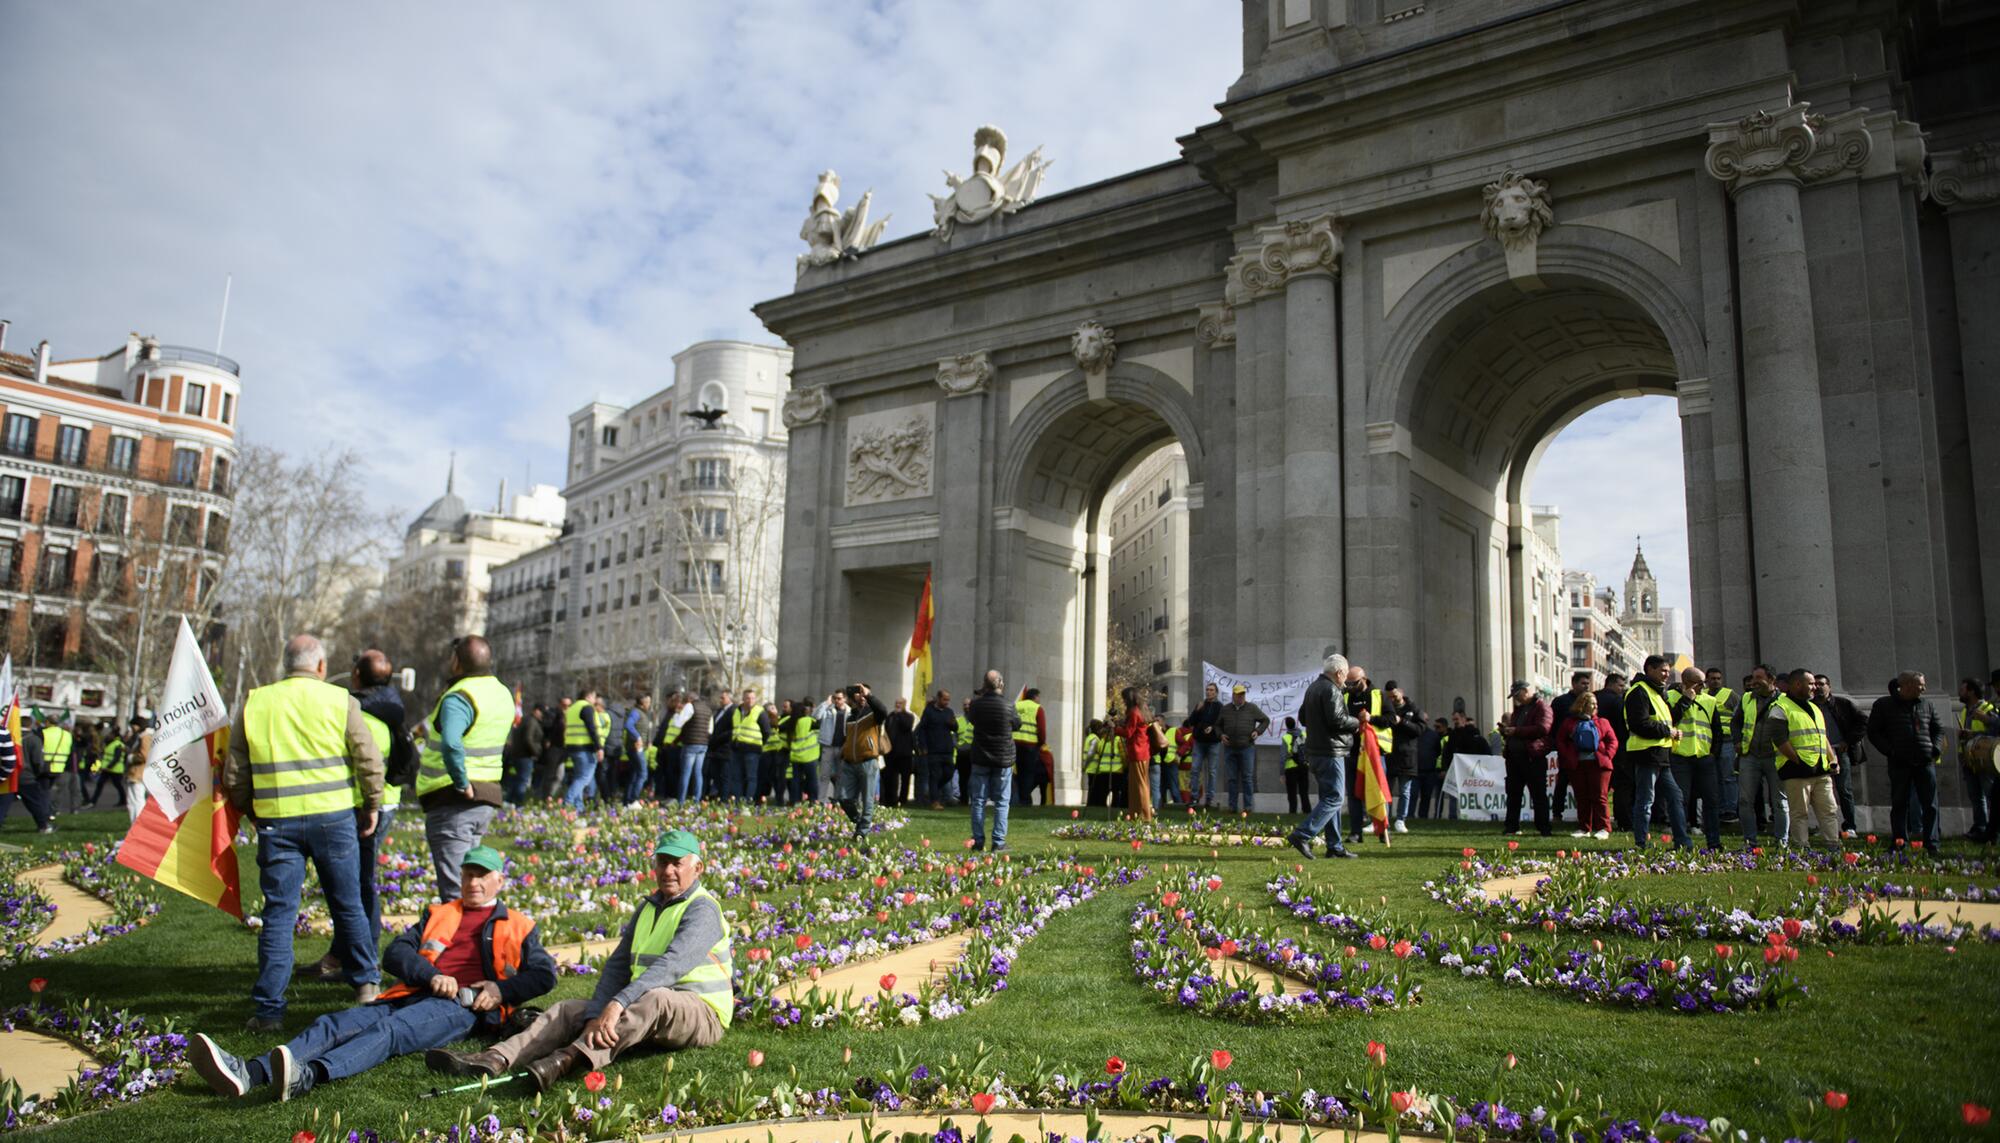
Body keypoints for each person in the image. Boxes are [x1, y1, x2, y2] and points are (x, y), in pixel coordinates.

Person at [190, 846, 557, 1101]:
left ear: (499, 881)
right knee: (330, 1024)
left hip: (461, 1007)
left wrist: (500, 989)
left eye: (482, 875)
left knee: (389, 1032)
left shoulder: (520, 926)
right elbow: (395, 953)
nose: (473, 882)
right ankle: (247, 1073)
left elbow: (545, 975)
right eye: (467, 874)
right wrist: (430, 975)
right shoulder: (440, 912)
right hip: (414, 990)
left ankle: (311, 1075)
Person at [428, 830, 729, 1092]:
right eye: (662, 862)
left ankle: (565, 1060)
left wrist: (618, 1003)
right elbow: (618, 965)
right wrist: (597, 1011)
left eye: (677, 863)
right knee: (567, 1009)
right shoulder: (649, 906)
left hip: (701, 1012)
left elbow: (672, 965)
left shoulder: (703, 909)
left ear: (697, 867)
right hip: (645, 1006)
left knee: (657, 998)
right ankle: (495, 1058)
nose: (668, 870)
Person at [226, 634, 384, 1030]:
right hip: (334, 819)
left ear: (285, 664)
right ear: (321, 666)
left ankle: (268, 1011)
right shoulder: (339, 699)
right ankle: (366, 984)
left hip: (277, 821)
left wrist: (250, 809)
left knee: (279, 915)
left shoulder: (256, 702)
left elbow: (235, 772)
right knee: (347, 903)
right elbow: (367, 756)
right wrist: (373, 804)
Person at [309, 649, 407, 983]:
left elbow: (368, 767)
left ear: (355, 677)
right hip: (382, 803)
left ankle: (360, 962)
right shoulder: (389, 705)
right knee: (356, 884)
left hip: (366, 807)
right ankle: (346, 955)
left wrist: (370, 808)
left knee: (359, 886)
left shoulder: (362, 713)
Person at [416, 636, 509, 902]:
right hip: (485, 797)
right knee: (473, 887)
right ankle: (477, 941)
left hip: (453, 799)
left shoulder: (460, 696)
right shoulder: (501, 692)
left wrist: (460, 781)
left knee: (456, 891)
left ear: (457, 662)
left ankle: (462, 942)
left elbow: (451, 742)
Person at [1288, 652, 1361, 860]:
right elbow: (1337, 720)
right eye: (1345, 675)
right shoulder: (1332, 689)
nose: (1346, 680)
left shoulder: (1313, 688)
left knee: (1329, 798)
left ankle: (1334, 845)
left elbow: (1303, 717)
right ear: (1339, 673)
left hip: (1316, 751)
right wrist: (1355, 722)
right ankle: (1302, 834)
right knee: (1335, 797)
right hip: (1331, 751)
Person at [1867, 670, 1946, 850]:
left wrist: (1935, 749)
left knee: (1930, 804)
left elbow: (1938, 729)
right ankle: (1900, 841)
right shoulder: (1884, 705)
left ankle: (1932, 843)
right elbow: (1874, 732)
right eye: (1921, 685)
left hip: (1925, 762)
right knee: (1900, 802)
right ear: (1908, 685)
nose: (1924, 688)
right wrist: (1890, 751)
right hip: (1899, 762)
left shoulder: (1926, 705)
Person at [1767, 668, 1842, 850]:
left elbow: (1822, 737)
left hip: (1820, 770)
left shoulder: (1815, 707)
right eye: (1810, 683)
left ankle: (1833, 846)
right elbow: (1779, 739)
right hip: (1796, 771)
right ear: (1797, 684)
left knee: (1829, 811)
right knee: (1799, 813)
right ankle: (1802, 848)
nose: (1814, 687)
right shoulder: (1780, 708)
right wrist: (1798, 761)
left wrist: (1833, 759)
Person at [1624, 654, 1691, 849]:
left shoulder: (1657, 692)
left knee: (1674, 797)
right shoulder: (1639, 692)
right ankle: (1641, 843)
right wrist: (1668, 731)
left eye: (1668, 672)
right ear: (1650, 669)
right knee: (1646, 800)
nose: (1666, 675)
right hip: (1646, 753)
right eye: (1663, 671)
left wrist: (1685, 702)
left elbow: (1668, 718)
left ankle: (1682, 842)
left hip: (1660, 754)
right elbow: (1639, 724)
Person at [1665, 668, 1722, 849]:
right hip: (1680, 757)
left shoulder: (1710, 701)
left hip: (1705, 758)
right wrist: (1686, 700)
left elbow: (1717, 730)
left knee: (1711, 801)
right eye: (1699, 683)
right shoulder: (1671, 697)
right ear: (1686, 682)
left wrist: (1714, 753)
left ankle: (1714, 842)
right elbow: (1671, 721)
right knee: (1680, 801)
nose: (1703, 687)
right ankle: (1681, 842)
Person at [966, 671, 1019, 849]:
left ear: (985, 685)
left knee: (978, 801)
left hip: (981, 757)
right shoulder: (1009, 705)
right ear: (1001, 684)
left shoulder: (976, 705)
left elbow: (971, 719)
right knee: (1002, 802)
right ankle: (998, 842)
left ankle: (978, 841)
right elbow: (1017, 724)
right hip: (1003, 758)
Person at [1555, 689, 1616, 839]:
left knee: (1600, 796)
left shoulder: (1603, 722)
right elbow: (1560, 740)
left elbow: (1612, 741)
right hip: (1577, 765)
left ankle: (1603, 828)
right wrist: (1568, 756)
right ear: (1582, 704)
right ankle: (1584, 827)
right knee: (1581, 796)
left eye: (1596, 704)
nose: (1595, 707)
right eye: (1591, 704)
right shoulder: (1569, 723)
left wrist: (1607, 755)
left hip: (1599, 765)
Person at [1739, 665, 1789, 846]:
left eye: (1758, 678)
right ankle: (1749, 841)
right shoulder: (1746, 698)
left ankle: (1781, 841)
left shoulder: (1785, 701)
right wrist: (1738, 741)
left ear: (1771, 680)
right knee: (1745, 801)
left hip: (1775, 757)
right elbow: (1736, 722)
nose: (1753, 682)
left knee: (1780, 802)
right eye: (1753, 678)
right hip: (1750, 756)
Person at [1811, 674, 1866, 838]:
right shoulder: (1810, 706)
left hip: (1840, 753)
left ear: (1829, 686)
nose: (1818, 687)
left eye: (1822, 684)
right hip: (1819, 753)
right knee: (1822, 792)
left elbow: (1863, 721)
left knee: (1844, 789)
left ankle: (1850, 826)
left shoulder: (1843, 704)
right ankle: (1826, 826)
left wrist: (1848, 741)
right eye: (1815, 684)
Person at [834, 683, 889, 842]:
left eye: (863, 694)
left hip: (868, 762)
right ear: (852, 699)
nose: (861, 697)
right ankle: (859, 822)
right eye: (858, 695)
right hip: (849, 763)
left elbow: (883, 711)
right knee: (843, 798)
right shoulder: (850, 717)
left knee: (867, 800)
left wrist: (869, 695)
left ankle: (862, 832)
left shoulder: (873, 714)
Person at [1499, 681, 1553, 837]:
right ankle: (1511, 826)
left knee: (1538, 795)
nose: (1516, 699)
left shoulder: (1542, 707)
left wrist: (1516, 731)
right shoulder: (1519, 710)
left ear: (1525, 691)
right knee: (1513, 794)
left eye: (1517, 695)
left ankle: (1543, 827)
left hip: (1532, 758)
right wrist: (1508, 731)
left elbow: (1543, 728)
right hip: (1515, 758)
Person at [1215, 684, 1269, 812]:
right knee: (1232, 779)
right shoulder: (1225, 709)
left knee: (1247, 778)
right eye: (1238, 694)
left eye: (1243, 694)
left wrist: (1257, 731)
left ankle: (1248, 807)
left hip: (1247, 747)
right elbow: (1217, 726)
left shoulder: (1252, 708)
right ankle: (1232, 806)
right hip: (1230, 748)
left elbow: (1265, 720)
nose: (1241, 697)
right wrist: (1221, 735)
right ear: (1233, 695)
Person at [1549, 671, 1595, 821]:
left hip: (1586, 748)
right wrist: (1557, 744)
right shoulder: (1561, 702)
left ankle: (1587, 815)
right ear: (1574, 684)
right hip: (1567, 748)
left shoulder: (1591, 700)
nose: (1586, 687)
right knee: (1563, 780)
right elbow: (1553, 725)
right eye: (1583, 683)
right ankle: (1557, 813)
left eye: (1588, 684)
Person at [1382, 684, 1425, 833]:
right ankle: (1384, 819)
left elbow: (1419, 730)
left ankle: (1401, 819)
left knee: (1404, 791)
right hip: (1389, 755)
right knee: (1385, 790)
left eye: (1395, 696)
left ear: (1401, 692)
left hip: (1407, 756)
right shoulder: (1387, 708)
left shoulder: (1414, 709)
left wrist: (1402, 722)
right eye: (1390, 697)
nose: (1392, 699)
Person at [1959, 678, 1996, 842]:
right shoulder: (1966, 710)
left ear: (1971, 691)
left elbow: (1996, 734)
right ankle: (1980, 827)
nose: (1960, 692)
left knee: (1991, 794)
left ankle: (1993, 830)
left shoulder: (1987, 708)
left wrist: (1972, 734)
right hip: (1969, 758)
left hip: (1985, 758)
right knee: (1975, 796)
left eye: (1963, 689)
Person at [717, 688, 768, 802]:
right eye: (748, 698)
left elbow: (766, 731)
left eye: (753, 698)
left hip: (752, 749)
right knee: (736, 777)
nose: (750, 701)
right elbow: (734, 728)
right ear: (743, 699)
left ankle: (748, 801)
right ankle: (737, 801)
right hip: (737, 748)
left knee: (751, 777)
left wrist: (759, 744)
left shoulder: (760, 712)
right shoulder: (737, 711)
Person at [1595, 672, 1632, 829]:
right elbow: (1623, 727)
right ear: (1611, 684)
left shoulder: (1593, 697)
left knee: (1597, 788)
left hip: (1594, 749)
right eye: (1620, 686)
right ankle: (1622, 820)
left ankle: (1594, 821)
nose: (1622, 689)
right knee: (1622, 786)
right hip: (1616, 748)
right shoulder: (1617, 701)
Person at [1706, 668, 1742, 825]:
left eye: (1718, 678)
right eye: (1713, 678)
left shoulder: (1730, 694)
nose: (1716, 681)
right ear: (1707, 679)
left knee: (1728, 777)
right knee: (1714, 778)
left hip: (1727, 740)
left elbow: (1740, 715)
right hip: (1710, 741)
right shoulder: (1703, 694)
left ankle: (1730, 810)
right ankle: (1719, 809)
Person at [561, 688, 605, 808]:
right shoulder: (587, 707)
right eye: (594, 697)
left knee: (578, 777)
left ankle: (578, 806)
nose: (595, 700)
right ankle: (567, 803)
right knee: (584, 778)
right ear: (588, 696)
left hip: (572, 747)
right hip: (584, 748)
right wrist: (599, 747)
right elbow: (592, 728)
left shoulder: (572, 708)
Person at [1184, 682, 1224, 809]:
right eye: (1207, 690)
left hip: (1213, 743)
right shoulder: (1200, 705)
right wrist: (1196, 710)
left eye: (1211, 690)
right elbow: (1190, 722)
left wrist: (1212, 728)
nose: (1208, 692)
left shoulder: (1220, 707)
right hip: (1199, 742)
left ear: (1216, 692)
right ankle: (1194, 797)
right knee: (1195, 769)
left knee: (1211, 771)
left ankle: (1209, 799)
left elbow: (1221, 724)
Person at [1120, 687, 1156, 822]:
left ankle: (1144, 814)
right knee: (1138, 784)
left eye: (1124, 699)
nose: (1123, 702)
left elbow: (1128, 733)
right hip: (1142, 751)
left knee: (1140, 784)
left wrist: (1115, 728)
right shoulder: (1142, 710)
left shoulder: (1134, 712)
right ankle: (1136, 813)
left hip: (1137, 751)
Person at [916, 689, 956, 809]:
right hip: (933, 750)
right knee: (935, 775)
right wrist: (923, 746)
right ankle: (935, 801)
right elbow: (921, 730)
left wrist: (952, 724)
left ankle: (934, 789)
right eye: (944, 699)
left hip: (947, 750)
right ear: (938, 699)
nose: (947, 702)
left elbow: (956, 727)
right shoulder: (929, 711)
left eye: (948, 700)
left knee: (949, 773)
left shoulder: (949, 712)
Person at [1011, 687, 1047, 806]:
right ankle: (1025, 800)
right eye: (1039, 697)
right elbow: (1041, 730)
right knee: (1028, 774)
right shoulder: (1038, 708)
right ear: (1035, 697)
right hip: (1030, 746)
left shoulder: (1016, 706)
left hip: (1014, 745)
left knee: (1016, 773)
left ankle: (1015, 799)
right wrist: (1041, 744)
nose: (1039, 700)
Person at [504, 701, 544, 807]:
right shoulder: (532, 722)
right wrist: (536, 752)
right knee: (522, 780)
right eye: (542, 712)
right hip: (525, 755)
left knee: (518, 779)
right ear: (536, 711)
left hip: (519, 754)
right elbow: (528, 738)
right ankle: (518, 803)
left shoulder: (525, 720)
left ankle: (509, 800)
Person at [673, 690, 711, 803]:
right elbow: (710, 730)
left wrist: (677, 713)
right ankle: (696, 800)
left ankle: (681, 801)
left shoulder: (690, 706)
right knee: (698, 773)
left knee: (686, 773)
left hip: (691, 743)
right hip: (703, 744)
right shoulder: (707, 709)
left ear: (689, 699)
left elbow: (678, 723)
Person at [621, 695, 655, 805]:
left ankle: (627, 801)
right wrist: (638, 737)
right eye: (648, 702)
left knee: (635, 774)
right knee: (643, 774)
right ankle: (633, 799)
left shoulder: (644, 714)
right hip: (635, 747)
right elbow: (629, 725)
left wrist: (648, 741)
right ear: (643, 703)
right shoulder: (636, 712)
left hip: (639, 747)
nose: (649, 704)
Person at [786, 698, 821, 804]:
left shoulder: (791, 722)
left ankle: (795, 800)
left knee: (796, 780)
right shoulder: (808, 720)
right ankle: (813, 800)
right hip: (810, 756)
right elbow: (819, 724)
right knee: (812, 780)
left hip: (796, 756)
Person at [533, 700, 567, 802]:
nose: (566, 708)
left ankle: (549, 795)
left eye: (569, 705)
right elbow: (546, 729)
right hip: (554, 749)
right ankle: (545, 797)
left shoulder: (567, 716)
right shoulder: (553, 716)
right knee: (550, 775)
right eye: (564, 705)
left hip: (563, 749)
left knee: (559, 775)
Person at [1416, 716, 1448, 819]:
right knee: (1412, 795)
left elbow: (1438, 751)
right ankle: (1409, 816)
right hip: (1416, 770)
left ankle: (1423, 816)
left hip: (1430, 771)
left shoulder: (1433, 736)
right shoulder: (1415, 732)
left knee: (1427, 796)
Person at [1280, 717, 1310, 814]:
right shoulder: (1304, 735)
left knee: (1292, 792)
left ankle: (1293, 811)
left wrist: (1281, 773)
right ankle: (1307, 810)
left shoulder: (1286, 738)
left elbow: (1283, 757)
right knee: (1304, 791)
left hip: (1291, 768)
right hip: (1304, 767)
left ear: (1286, 726)